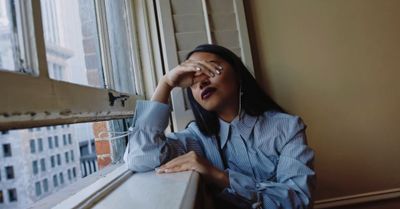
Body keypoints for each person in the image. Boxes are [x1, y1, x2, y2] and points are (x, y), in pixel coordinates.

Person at [125, 44, 315, 209]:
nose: (202, 82)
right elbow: (140, 157)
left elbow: (298, 201)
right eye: (193, 80)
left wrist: (218, 176)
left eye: (211, 69)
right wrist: (166, 83)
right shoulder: (196, 137)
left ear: (238, 74)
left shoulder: (287, 127)